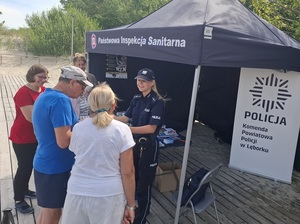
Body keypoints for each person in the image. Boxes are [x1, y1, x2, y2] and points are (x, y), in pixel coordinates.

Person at [61, 82, 136, 224]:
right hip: (109, 193)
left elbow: (78, 154)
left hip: (77, 190)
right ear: (113, 105)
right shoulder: (122, 130)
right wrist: (130, 206)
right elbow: (128, 172)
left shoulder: (77, 128)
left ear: (91, 105)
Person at [32, 66, 93, 224]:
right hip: (55, 167)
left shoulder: (46, 95)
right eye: (82, 86)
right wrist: (88, 131)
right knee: (52, 216)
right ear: (72, 82)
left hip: (45, 163)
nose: (83, 91)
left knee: (46, 214)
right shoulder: (61, 100)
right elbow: (63, 141)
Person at [115, 68, 166, 224]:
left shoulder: (158, 101)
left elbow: (151, 128)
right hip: (133, 145)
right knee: (133, 180)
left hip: (148, 146)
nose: (140, 83)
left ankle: (141, 219)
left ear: (152, 83)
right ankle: (136, 211)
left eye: (144, 81)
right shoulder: (136, 98)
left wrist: (127, 129)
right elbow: (126, 116)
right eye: (138, 80)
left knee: (144, 185)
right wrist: (109, 120)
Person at [9, 64, 49, 214]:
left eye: (45, 77)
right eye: (40, 77)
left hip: (36, 136)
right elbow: (31, 117)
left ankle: (24, 189)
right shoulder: (23, 92)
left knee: (30, 166)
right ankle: (18, 199)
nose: (43, 80)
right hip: (22, 137)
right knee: (24, 167)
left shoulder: (43, 91)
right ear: (32, 76)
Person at [70, 53, 98, 120]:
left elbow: (96, 92)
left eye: (82, 65)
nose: (81, 67)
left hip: (90, 109)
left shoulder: (91, 77)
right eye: (79, 65)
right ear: (74, 65)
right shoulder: (70, 78)